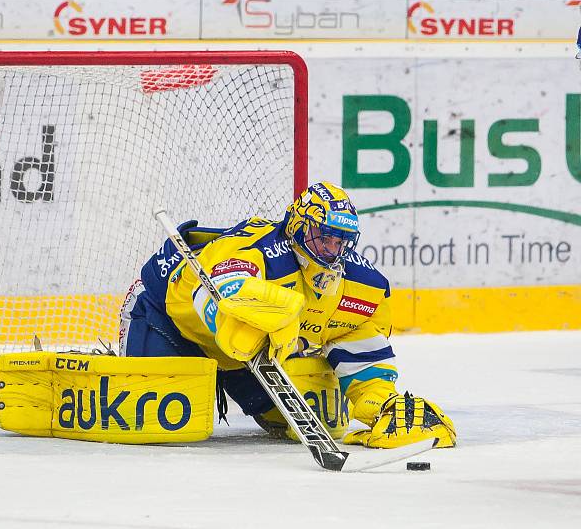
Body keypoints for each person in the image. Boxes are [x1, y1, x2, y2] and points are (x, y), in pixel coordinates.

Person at [119, 182, 456, 449]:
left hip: (248, 360)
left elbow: (361, 354)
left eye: (341, 241)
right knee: (156, 425)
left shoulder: (363, 287)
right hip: (171, 325)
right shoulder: (261, 250)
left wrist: (381, 402)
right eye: (324, 237)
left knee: (321, 419)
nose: (331, 250)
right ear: (297, 226)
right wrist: (262, 311)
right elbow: (213, 289)